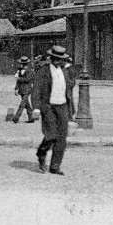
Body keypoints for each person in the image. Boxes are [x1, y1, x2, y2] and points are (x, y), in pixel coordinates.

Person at [31, 45, 76, 176]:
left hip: (62, 106)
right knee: (51, 134)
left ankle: (55, 166)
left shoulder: (65, 71)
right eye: (55, 58)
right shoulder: (44, 71)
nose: (58, 61)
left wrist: (70, 111)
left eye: (60, 59)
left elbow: (70, 87)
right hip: (48, 106)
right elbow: (36, 90)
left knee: (62, 138)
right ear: (51, 58)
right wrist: (36, 108)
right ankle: (41, 152)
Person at [12, 56, 36, 123]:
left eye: (21, 64)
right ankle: (31, 118)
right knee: (27, 104)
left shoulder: (30, 71)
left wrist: (19, 79)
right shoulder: (19, 71)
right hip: (22, 90)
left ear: (24, 64)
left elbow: (27, 79)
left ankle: (16, 118)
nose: (20, 65)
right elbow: (18, 81)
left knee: (22, 104)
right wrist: (16, 88)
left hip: (27, 90)